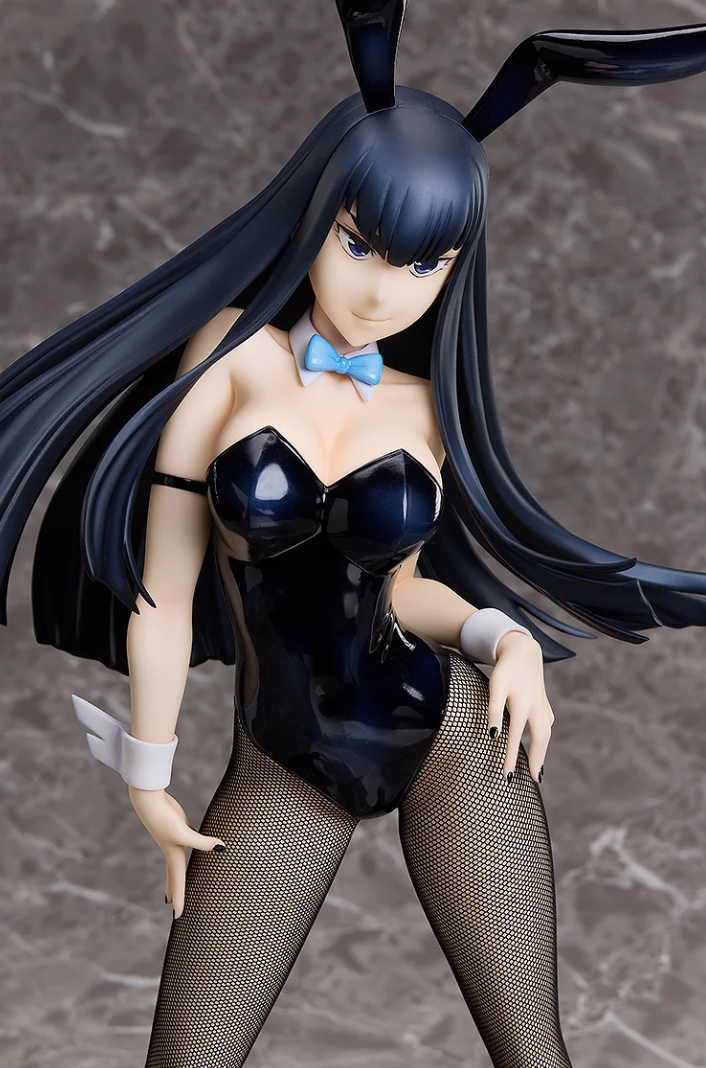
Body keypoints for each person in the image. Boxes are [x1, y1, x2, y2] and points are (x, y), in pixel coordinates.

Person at [5, 4, 706, 1066]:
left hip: (453, 733)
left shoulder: (425, 410)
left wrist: (506, 639)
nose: (384, 292)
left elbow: (403, 589)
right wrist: (149, 772)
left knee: (535, 1052)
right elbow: (164, 591)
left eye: (426, 266)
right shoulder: (229, 362)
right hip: (285, 760)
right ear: (316, 213)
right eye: (360, 244)